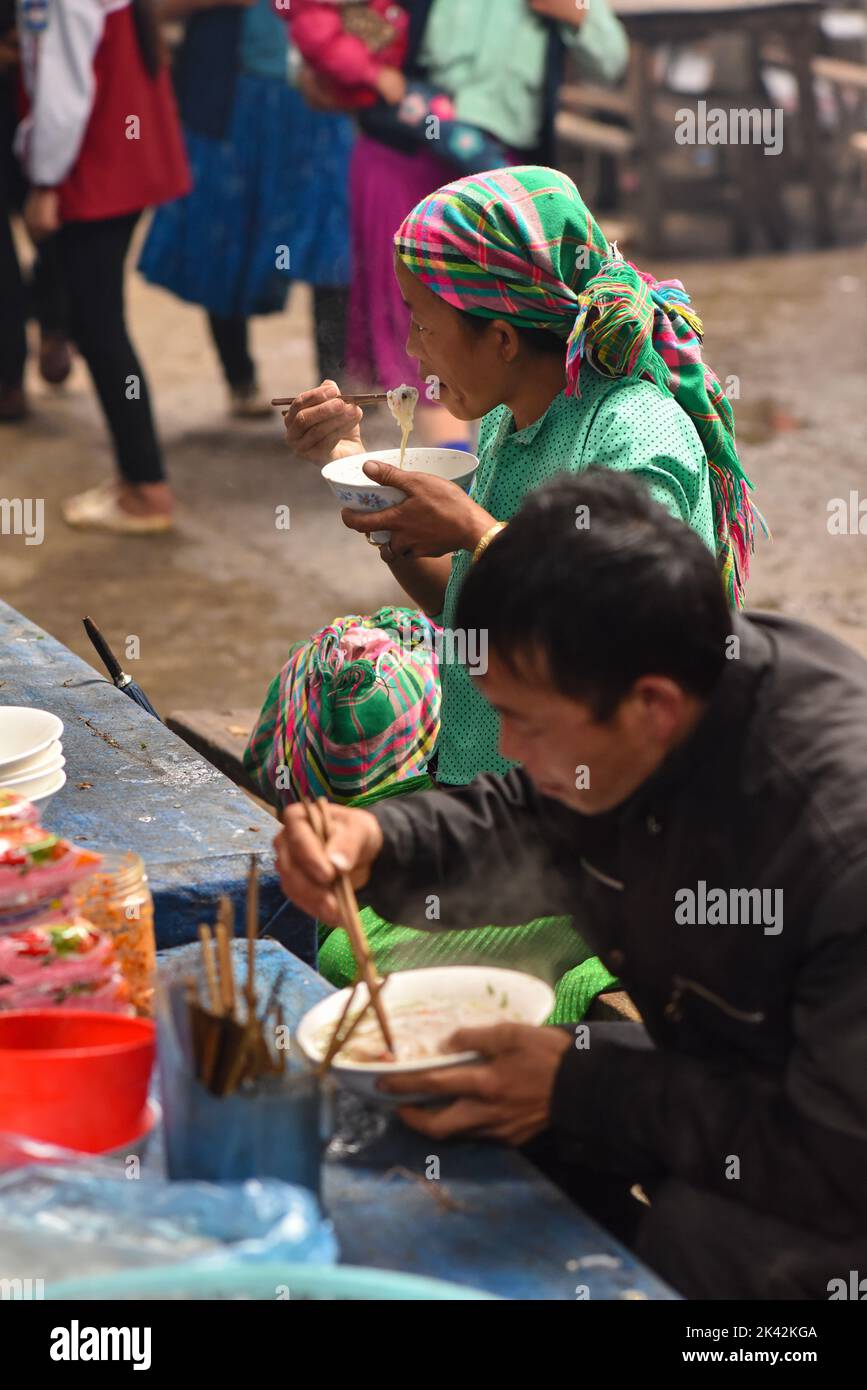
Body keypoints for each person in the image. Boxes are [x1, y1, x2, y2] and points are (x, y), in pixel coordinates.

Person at [275, 468, 867, 1300]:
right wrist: (380, 840)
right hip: (731, 1071)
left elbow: (832, 1151)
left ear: (650, 707)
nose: (508, 749)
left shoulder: (836, 843)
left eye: (528, 723)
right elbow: (527, 815)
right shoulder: (646, 704)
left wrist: (575, 1085)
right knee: (472, 1084)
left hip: (832, 1153)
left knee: (699, 1235)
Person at [279, 164, 760, 1016]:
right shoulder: (510, 422)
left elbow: (625, 637)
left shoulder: (633, 435)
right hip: (506, 804)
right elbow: (476, 616)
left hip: (606, 834)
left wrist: (469, 528)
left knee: (364, 964)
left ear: (501, 336)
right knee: (339, 925)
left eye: (423, 326)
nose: (413, 351)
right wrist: (357, 475)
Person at [308, 0, 630, 448]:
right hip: (409, 159)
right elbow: (325, 41)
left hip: (501, 176)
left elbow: (610, 59)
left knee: (506, 338)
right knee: (431, 332)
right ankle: (458, 488)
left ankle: (475, 492)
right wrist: (336, 73)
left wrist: (573, 13)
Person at [15, 0, 190, 531]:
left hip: (94, 167)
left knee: (100, 328)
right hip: (116, 159)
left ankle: (147, 489)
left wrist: (46, 181)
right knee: (97, 322)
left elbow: (64, 94)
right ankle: (135, 479)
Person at [139, 0, 353, 415]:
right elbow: (152, 10)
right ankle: (239, 377)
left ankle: (334, 387)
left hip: (318, 102)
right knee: (223, 240)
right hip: (231, 102)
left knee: (330, 243)